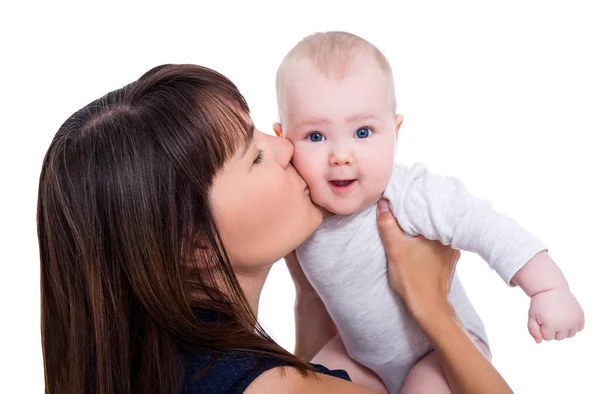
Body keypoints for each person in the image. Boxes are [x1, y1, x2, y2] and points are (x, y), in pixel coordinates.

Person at [38, 63, 513, 394]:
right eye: (255, 154)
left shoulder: (155, 368)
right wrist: (434, 310)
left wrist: (311, 291)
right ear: (196, 244)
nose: (285, 147)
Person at [273, 31, 585, 393]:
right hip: (360, 355)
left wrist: (548, 287)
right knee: (301, 384)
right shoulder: (297, 205)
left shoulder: (406, 193)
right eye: (315, 136)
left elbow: (482, 223)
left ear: (395, 131)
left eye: (362, 131)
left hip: (437, 351)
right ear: (283, 140)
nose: (341, 155)